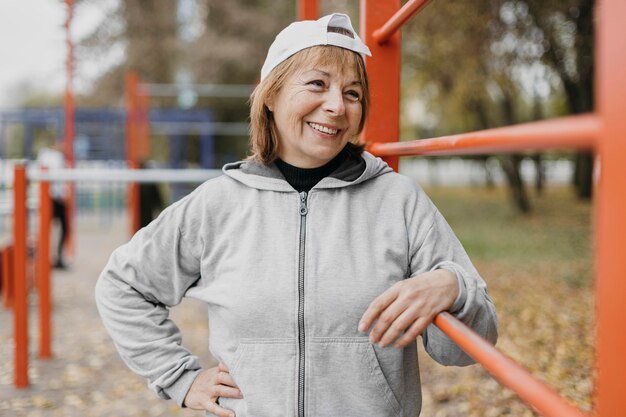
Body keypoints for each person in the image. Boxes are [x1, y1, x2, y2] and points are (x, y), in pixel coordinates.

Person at [96, 13, 498, 417]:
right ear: (271, 95)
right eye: (317, 84)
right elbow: (122, 285)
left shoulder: (399, 201)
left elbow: (464, 350)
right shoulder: (217, 205)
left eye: (353, 93)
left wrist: (454, 287)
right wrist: (181, 379)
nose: (337, 106)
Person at [37, 141, 68, 269]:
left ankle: (53, 258)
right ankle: (51, 258)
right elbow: (54, 178)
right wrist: (60, 194)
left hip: (52, 197)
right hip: (53, 198)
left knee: (56, 229)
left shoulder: (46, 155)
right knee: (55, 229)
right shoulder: (52, 157)